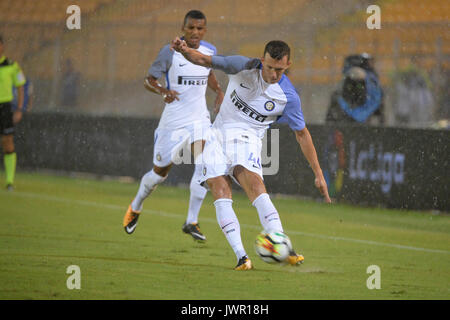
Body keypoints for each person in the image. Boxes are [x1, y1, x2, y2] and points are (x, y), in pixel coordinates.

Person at [171, 38, 331, 270]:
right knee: (220, 190)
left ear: (288, 66)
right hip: (217, 137)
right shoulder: (242, 66)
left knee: (255, 187)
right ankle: (242, 257)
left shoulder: (287, 97)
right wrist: (185, 51)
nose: (274, 74)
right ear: (263, 60)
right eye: (270, 67)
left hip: (247, 141)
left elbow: (303, 135)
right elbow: (204, 59)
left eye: (280, 69)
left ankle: (282, 246)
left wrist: (318, 173)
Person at [123, 10, 224, 241]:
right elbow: (149, 80)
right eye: (191, 28)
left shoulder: (210, 50)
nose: (195, 32)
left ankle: (191, 221)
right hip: (173, 122)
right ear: (183, 28)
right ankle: (136, 205)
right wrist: (163, 91)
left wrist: (218, 91)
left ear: (205, 30)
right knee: (159, 174)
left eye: (200, 29)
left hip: (199, 119)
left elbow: (207, 70)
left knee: (206, 164)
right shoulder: (169, 52)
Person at [326, 53, 384, 125]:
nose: (372, 64)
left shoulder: (369, 77)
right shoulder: (367, 76)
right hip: (355, 106)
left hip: (355, 107)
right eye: (370, 62)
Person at [0, 35, 26, 190]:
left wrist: (20, 108)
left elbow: (20, 85)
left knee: (8, 143)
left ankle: (9, 181)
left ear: (2, 46)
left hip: (4, 108)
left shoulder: (12, 65)